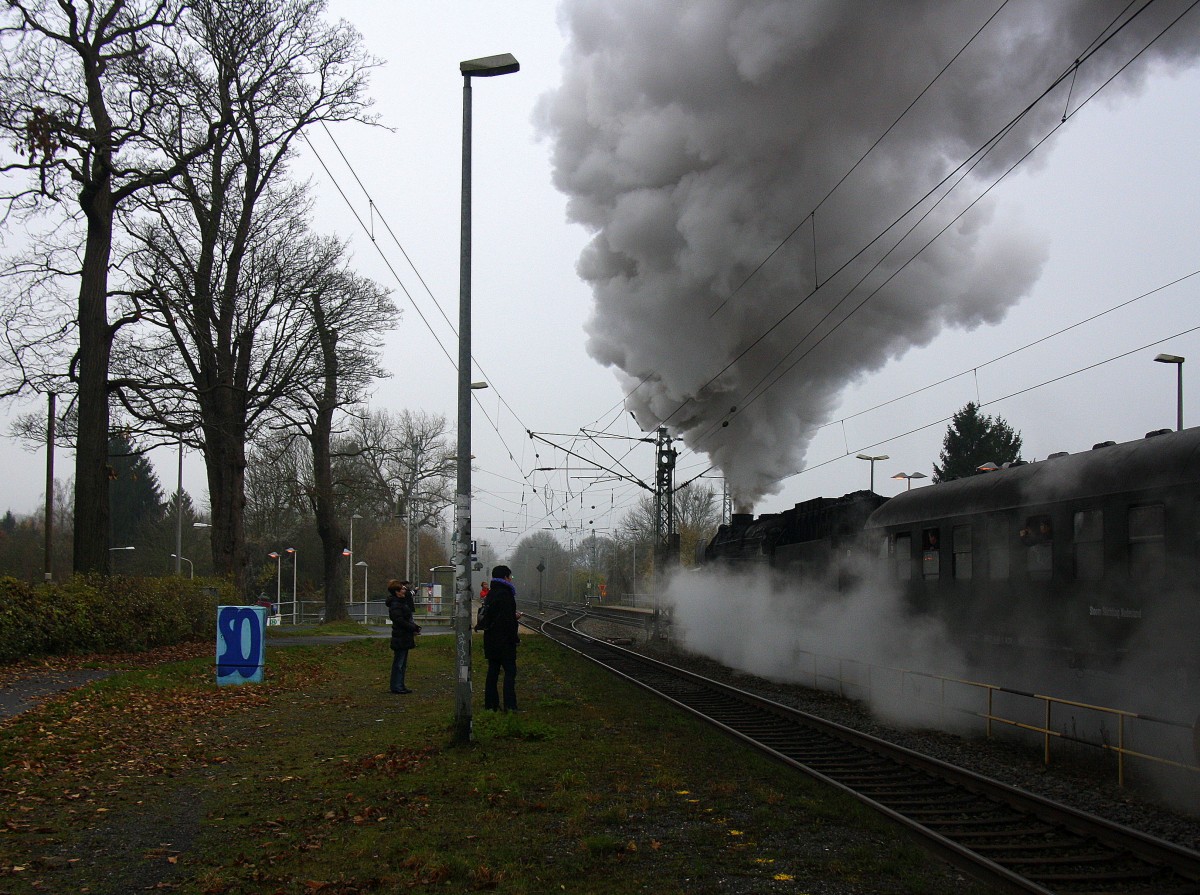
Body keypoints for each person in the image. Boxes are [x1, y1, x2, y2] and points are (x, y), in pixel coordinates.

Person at [482, 565, 521, 712]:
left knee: (493, 672)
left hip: (491, 639)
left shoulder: (491, 593)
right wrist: (515, 639)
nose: (511, 579)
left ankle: (491, 704)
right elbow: (507, 621)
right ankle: (510, 705)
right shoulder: (506, 594)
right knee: (510, 672)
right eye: (510, 576)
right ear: (505, 577)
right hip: (504, 641)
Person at [386, 579, 421, 694]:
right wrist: (413, 627)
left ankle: (399, 684)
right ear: (397, 591)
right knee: (399, 663)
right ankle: (397, 685)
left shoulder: (400, 602)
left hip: (403, 635)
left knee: (402, 662)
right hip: (400, 636)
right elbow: (400, 620)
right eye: (402, 589)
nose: (404, 591)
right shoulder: (396, 604)